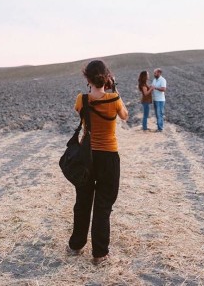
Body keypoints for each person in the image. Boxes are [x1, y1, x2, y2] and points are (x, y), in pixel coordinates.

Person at [67, 60, 128, 265]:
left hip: (86, 156)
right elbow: (125, 116)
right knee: (103, 206)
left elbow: (82, 113)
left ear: (87, 78)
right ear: (107, 77)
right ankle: (100, 254)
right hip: (109, 157)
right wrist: (114, 90)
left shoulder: (80, 99)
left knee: (82, 202)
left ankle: (75, 246)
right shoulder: (114, 99)